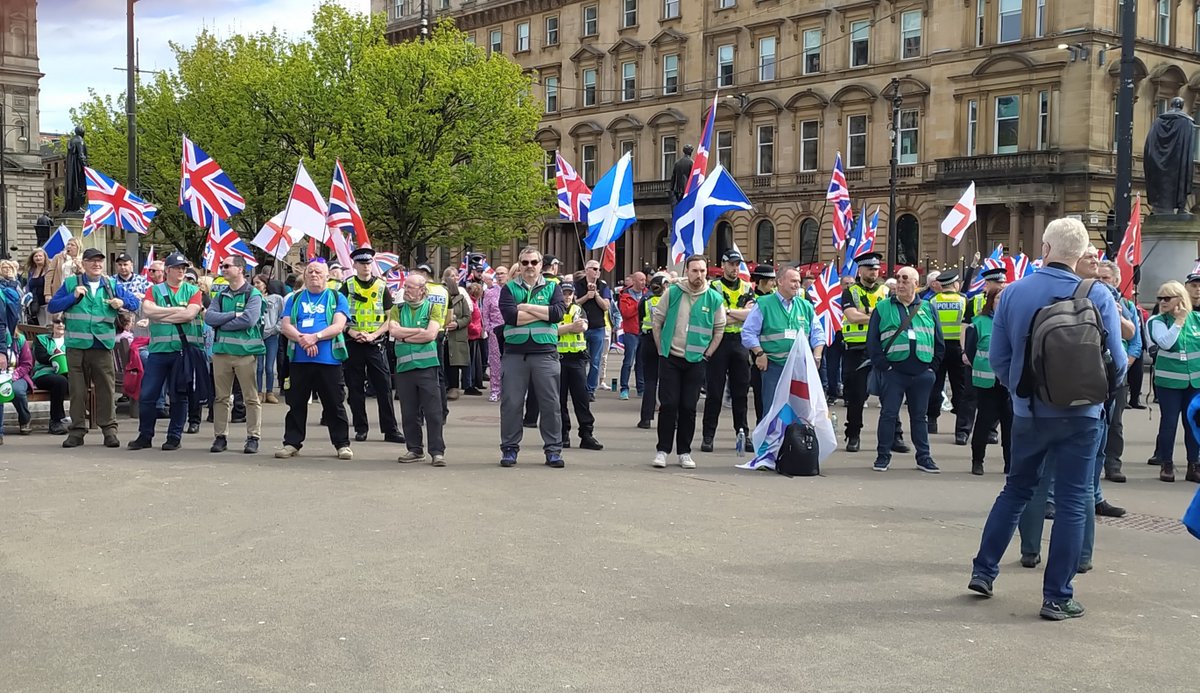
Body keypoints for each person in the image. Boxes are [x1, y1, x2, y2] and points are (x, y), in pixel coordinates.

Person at [969, 217, 1126, 621]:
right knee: (1074, 501)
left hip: (1029, 412)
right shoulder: (1099, 294)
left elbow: (1000, 359)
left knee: (1016, 490)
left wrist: (1021, 391)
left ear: (1045, 248)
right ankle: (1057, 596)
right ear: (1080, 255)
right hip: (1083, 414)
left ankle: (984, 571)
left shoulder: (1014, 292)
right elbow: (1119, 362)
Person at [47, 247, 140, 448]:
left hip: (102, 345)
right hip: (76, 346)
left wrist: (121, 302)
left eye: (100, 261)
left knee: (106, 390)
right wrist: (73, 297)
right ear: (84, 263)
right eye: (92, 261)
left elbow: (134, 304)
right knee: (77, 391)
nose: (97, 264)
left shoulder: (111, 284)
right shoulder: (71, 283)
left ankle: (109, 431)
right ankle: (77, 431)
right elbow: (53, 306)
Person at [867, 266, 945, 473]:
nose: (900, 284)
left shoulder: (929, 307)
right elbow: (872, 342)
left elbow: (938, 340)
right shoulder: (883, 307)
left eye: (905, 280)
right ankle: (883, 456)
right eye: (898, 280)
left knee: (920, 417)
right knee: (888, 415)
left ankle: (924, 457)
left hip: (922, 373)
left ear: (916, 284)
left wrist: (932, 369)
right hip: (894, 372)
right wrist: (885, 366)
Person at [651, 255, 726, 469]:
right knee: (669, 405)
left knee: (688, 407)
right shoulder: (673, 293)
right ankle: (662, 450)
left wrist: (708, 354)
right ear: (687, 271)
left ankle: (684, 452)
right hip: (670, 358)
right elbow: (657, 322)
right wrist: (660, 349)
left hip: (696, 360)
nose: (699, 275)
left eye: (702, 271)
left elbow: (718, 329)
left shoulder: (713, 298)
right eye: (695, 270)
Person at [497, 246, 567, 468]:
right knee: (511, 403)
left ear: (540, 265)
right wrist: (541, 313)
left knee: (550, 404)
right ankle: (509, 448)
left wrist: (525, 307)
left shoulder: (553, 287)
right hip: (515, 353)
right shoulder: (508, 288)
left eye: (533, 263)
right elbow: (511, 317)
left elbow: (557, 314)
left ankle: (553, 450)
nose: (529, 267)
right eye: (525, 263)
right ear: (519, 264)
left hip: (545, 353)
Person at [276, 261, 353, 460]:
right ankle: (292, 443)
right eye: (309, 271)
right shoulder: (295, 298)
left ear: (327, 276)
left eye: (318, 271)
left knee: (334, 403)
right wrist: (303, 339)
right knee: (296, 403)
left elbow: (338, 326)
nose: (313, 275)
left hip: (328, 360)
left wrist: (315, 337)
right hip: (300, 360)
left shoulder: (337, 297)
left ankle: (342, 444)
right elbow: (286, 326)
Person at [127, 252, 203, 452]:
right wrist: (178, 311)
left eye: (183, 268)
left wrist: (163, 315)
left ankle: (174, 437)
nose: (181, 271)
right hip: (158, 351)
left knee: (179, 396)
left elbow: (190, 314)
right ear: (167, 270)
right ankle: (145, 435)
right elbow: (149, 311)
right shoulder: (155, 290)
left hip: (181, 352)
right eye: (177, 268)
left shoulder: (193, 290)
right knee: (148, 395)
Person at [841, 252, 907, 454]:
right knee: (856, 395)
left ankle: (895, 436)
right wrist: (877, 315)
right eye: (870, 269)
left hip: (882, 348)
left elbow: (894, 317)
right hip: (856, 349)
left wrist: (867, 312)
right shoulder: (850, 292)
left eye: (876, 269)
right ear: (860, 270)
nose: (874, 272)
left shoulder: (887, 292)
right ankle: (853, 435)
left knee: (891, 395)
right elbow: (852, 317)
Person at [340, 247, 404, 443]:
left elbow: (390, 318)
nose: (366, 266)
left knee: (384, 388)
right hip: (353, 342)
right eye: (362, 263)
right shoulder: (347, 286)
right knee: (356, 388)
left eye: (368, 263)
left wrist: (374, 334)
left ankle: (390, 430)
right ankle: (361, 428)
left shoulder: (382, 286)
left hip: (375, 343)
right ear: (355, 265)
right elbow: (338, 317)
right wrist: (352, 332)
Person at [203, 256, 264, 454]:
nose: (223, 269)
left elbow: (249, 320)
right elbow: (209, 317)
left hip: (245, 353)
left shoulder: (253, 294)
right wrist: (232, 315)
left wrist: (222, 322)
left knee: (251, 397)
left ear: (240, 269)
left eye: (227, 266)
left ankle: (253, 437)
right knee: (221, 397)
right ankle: (220, 437)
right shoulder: (221, 295)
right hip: (221, 353)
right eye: (222, 266)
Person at [742, 266, 824, 406]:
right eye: (793, 281)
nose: (797, 284)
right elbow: (748, 332)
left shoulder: (805, 306)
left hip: (800, 368)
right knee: (773, 410)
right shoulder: (764, 304)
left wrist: (817, 356)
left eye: (798, 281)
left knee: (800, 411)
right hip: (774, 367)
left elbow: (818, 333)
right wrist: (759, 353)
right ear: (780, 282)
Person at [699, 249, 754, 452]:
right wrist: (736, 314)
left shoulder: (747, 287)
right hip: (719, 342)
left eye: (737, 264)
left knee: (740, 394)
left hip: (739, 342)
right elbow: (715, 316)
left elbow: (751, 314)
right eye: (731, 264)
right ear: (723, 265)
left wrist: (728, 312)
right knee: (714, 392)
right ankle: (708, 436)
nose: (735, 268)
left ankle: (743, 434)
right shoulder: (713, 286)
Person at [1147, 279, 1200, 483]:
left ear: (1180, 298)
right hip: (1169, 383)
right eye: (1160, 298)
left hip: (1194, 382)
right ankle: (1166, 464)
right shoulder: (1157, 321)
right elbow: (1166, 343)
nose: (1163, 301)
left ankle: (1193, 465)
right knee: (1169, 423)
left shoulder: (1196, 318)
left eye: (1167, 297)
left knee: (1192, 423)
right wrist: (1178, 322)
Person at [391, 273, 446, 467]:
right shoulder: (397, 309)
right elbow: (394, 331)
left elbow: (431, 335)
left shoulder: (433, 308)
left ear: (422, 290)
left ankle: (437, 452)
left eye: (410, 287)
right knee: (409, 411)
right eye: (405, 287)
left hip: (427, 367)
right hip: (404, 367)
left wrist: (405, 336)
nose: (405, 290)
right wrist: (416, 333)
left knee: (433, 411)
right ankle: (414, 449)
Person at [1097, 260, 1142, 483]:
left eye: (1105, 279)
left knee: (1115, 421)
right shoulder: (1090, 301)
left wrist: (1124, 365)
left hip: (1118, 371)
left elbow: (1135, 342)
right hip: (1093, 370)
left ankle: (1113, 464)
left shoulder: (1127, 306)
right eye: (1098, 278)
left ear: (1116, 281)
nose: (1101, 282)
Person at [964, 266, 1010, 475]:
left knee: (1010, 427)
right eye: (999, 298)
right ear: (991, 301)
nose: (1003, 302)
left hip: (1009, 384)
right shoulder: (979, 322)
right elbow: (971, 351)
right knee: (983, 422)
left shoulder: (1016, 322)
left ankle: (1010, 463)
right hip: (987, 383)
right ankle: (977, 461)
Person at [926, 270, 972, 444]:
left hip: (937, 347)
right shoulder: (963, 300)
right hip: (958, 348)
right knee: (960, 387)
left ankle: (931, 421)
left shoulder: (932, 301)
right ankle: (961, 430)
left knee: (935, 385)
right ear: (955, 284)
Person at [557, 279, 603, 451]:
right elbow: (553, 330)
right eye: (564, 293)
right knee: (559, 400)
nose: (567, 296)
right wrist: (570, 326)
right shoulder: (554, 310)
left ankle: (587, 435)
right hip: (558, 359)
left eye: (569, 293)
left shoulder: (578, 309)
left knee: (582, 399)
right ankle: (563, 435)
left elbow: (582, 327)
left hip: (577, 359)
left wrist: (564, 327)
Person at [575, 259, 612, 398]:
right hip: (581, 327)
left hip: (598, 327)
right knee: (581, 360)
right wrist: (586, 296)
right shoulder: (578, 285)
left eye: (599, 269)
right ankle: (579, 389)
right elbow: (573, 303)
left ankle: (590, 390)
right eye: (594, 269)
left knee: (595, 361)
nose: (597, 272)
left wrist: (596, 294)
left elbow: (606, 306)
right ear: (587, 270)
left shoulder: (602, 285)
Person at [748, 264, 778, 421]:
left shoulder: (775, 299)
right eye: (770, 280)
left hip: (772, 353)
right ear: (760, 281)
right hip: (754, 353)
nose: (773, 284)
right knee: (760, 397)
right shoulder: (750, 296)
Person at [636, 273, 666, 429]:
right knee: (666, 380)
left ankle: (645, 419)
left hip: (648, 339)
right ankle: (669, 419)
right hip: (664, 340)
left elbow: (640, 317)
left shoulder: (645, 301)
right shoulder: (668, 301)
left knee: (650, 380)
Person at [31, 317, 70, 434]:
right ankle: (55, 421)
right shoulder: (41, 339)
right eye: (58, 322)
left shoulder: (71, 340)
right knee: (61, 381)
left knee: (74, 380)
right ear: (52, 324)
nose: (61, 324)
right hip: (44, 373)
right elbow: (40, 357)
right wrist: (54, 357)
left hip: (68, 374)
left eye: (64, 322)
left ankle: (78, 420)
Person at [616, 271, 647, 399]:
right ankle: (624, 388)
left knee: (641, 362)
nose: (643, 282)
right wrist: (638, 305)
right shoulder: (625, 295)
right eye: (641, 280)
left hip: (644, 331)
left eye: (644, 280)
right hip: (631, 332)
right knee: (628, 361)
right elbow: (626, 313)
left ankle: (641, 388)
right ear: (634, 281)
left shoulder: (647, 293)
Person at [254, 275, 284, 404]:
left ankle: (270, 392)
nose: (255, 285)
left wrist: (275, 329)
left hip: (272, 336)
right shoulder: (253, 298)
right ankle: (259, 392)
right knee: (259, 367)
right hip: (258, 336)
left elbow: (282, 316)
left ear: (265, 284)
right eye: (254, 283)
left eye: (258, 283)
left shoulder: (277, 299)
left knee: (270, 367)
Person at [1, 327, 34, 439]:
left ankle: (25, 419)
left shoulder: (20, 339)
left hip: (17, 376)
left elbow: (27, 364)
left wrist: (13, 376)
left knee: (16, 391)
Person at [481, 264, 508, 402]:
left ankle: (509, 389)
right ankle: (495, 389)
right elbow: (485, 313)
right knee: (495, 361)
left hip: (510, 329)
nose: (500, 276)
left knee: (510, 360)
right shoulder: (490, 292)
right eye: (497, 273)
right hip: (495, 330)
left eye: (502, 273)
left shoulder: (512, 291)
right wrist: (488, 329)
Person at [44, 237, 81, 307]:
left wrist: (79, 267)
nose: (69, 246)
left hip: (74, 291)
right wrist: (47, 293)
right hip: (59, 290)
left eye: (72, 245)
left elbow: (85, 275)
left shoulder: (82, 259)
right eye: (68, 244)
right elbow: (49, 276)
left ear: (78, 248)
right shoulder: (58, 257)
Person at [463, 282, 486, 395]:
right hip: (471, 334)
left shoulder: (474, 302)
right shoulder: (470, 303)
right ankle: (469, 384)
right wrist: (476, 329)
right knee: (470, 361)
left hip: (475, 334)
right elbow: (469, 319)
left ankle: (474, 381)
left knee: (474, 361)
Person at [24, 248, 49, 325]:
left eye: (40, 256)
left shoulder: (49, 269)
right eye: (36, 256)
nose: (38, 258)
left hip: (46, 303)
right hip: (34, 305)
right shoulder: (31, 271)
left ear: (45, 257)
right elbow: (28, 285)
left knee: (46, 326)